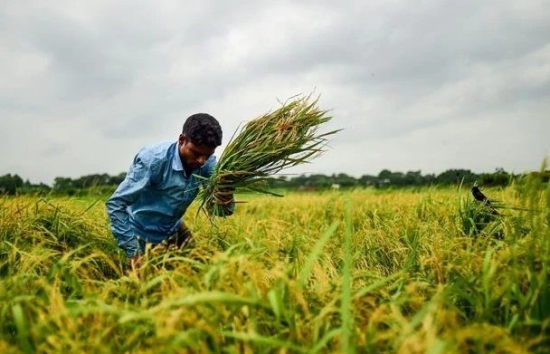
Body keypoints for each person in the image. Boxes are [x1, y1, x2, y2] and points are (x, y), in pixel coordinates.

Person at [106, 113, 234, 268]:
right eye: (196, 153)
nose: (201, 161)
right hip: (142, 234)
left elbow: (218, 211)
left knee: (199, 271)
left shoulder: (207, 163)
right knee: (147, 287)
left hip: (174, 227)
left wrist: (225, 198)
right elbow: (116, 204)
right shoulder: (153, 160)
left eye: (207, 155)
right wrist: (134, 252)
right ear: (182, 140)